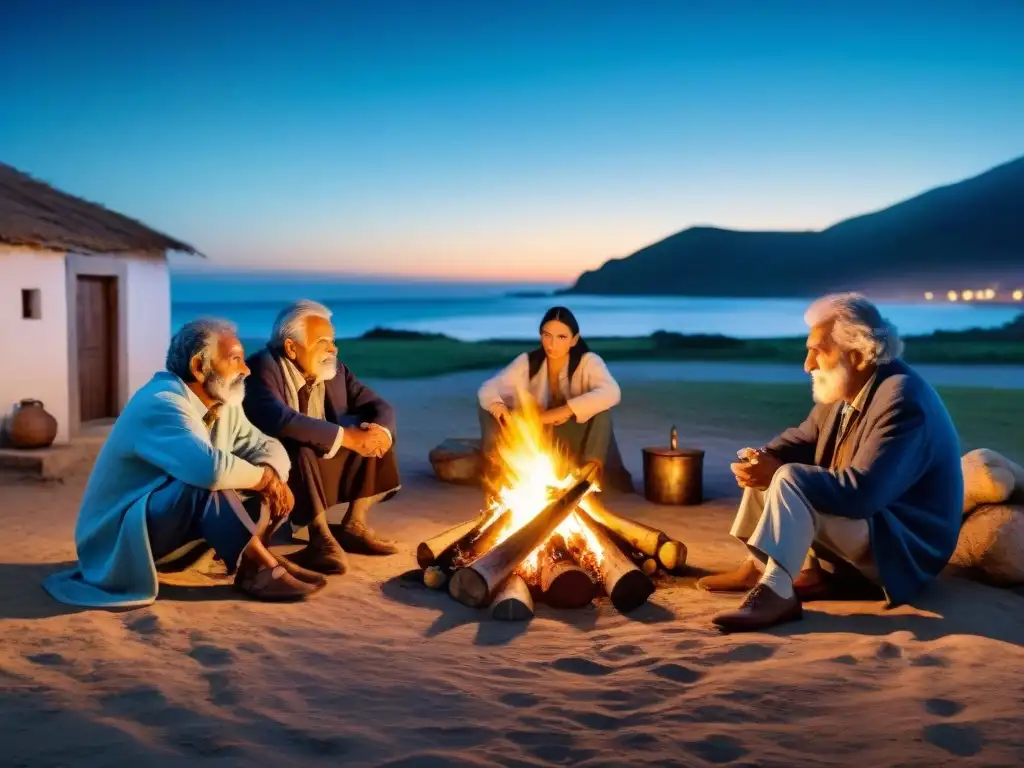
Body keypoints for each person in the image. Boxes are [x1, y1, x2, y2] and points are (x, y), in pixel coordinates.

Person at [698, 293, 963, 633]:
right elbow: (805, 437)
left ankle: (777, 592)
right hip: (872, 527)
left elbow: (863, 493)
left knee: (789, 477)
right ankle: (763, 563)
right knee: (777, 465)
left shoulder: (903, 400)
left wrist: (778, 471)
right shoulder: (849, 386)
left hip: (902, 549)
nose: (807, 365)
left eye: (817, 351)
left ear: (857, 355)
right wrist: (763, 457)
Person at [43, 319, 325, 608]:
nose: (246, 369)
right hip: (117, 539)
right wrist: (266, 480)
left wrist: (272, 475)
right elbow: (209, 470)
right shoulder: (161, 403)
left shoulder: (223, 403)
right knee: (205, 481)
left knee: (242, 479)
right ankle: (257, 567)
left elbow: (266, 445)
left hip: (166, 526)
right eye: (235, 360)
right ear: (198, 367)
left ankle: (256, 558)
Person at [243, 300, 401, 575]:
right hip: (275, 466)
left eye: (333, 341)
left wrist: (381, 434)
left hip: (320, 462)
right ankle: (321, 541)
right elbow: (280, 420)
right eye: (323, 342)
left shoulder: (335, 370)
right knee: (299, 441)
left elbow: (379, 406)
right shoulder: (260, 368)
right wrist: (346, 438)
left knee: (369, 430)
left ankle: (354, 524)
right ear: (291, 348)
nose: (333, 348)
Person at [477, 305, 633, 490]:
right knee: (488, 407)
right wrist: (500, 408)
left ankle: (588, 478)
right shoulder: (529, 362)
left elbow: (611, 392)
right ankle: (500, 475)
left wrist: (563, 411)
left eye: (561, 337)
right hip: (537, 437)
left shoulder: (588, 362)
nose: (552, 344)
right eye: (547, 335)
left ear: (574, 340)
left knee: (602, 413)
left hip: (573, 439)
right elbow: (488, 388)